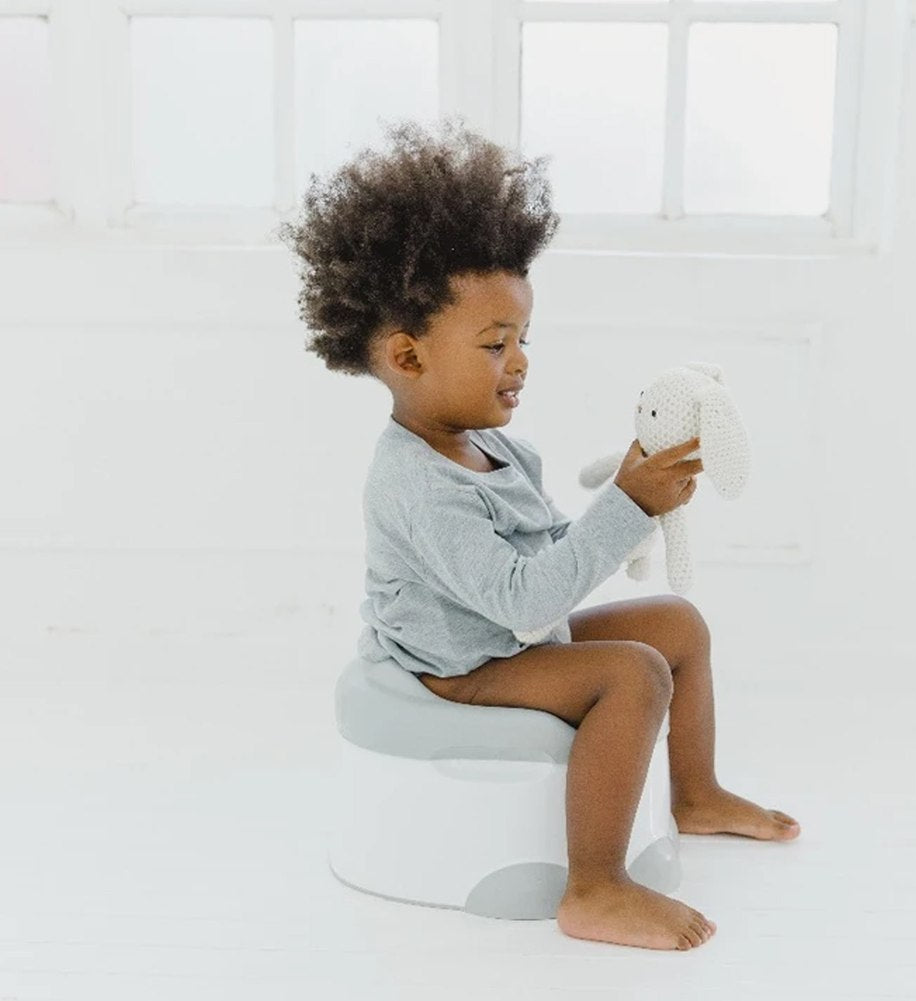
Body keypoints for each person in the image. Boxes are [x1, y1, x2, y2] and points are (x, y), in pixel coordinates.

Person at [278, 117, 799, 952]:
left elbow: (550, 551)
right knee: (631, 673)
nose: (519, 361)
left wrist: (633, 491)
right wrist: (624, 506)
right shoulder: (416, 483)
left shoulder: (493, 447)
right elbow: (524, 606)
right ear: (407, 358)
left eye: (522, 338)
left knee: (676, 626)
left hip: (508, 636)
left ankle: (694, 793)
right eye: (495, 344)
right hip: (462, 665)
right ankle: (593, 886)